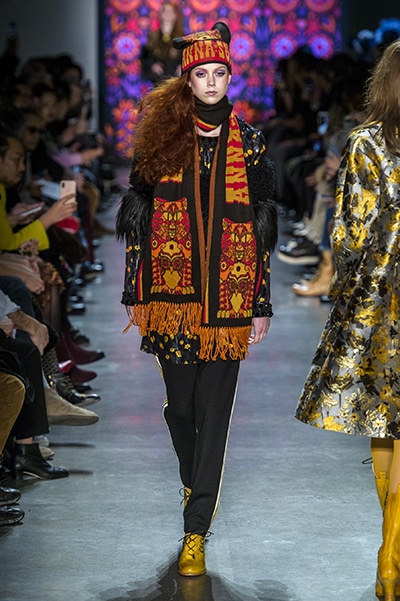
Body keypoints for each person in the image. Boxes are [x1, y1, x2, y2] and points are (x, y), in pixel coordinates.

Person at [117, 22, 277, 577]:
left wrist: (259, 303)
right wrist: (134, 289)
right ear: (187, 80)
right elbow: (138, 215)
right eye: (201, 74)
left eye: (219, 73)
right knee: (182, 409)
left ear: (231, 77)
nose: (211, 82)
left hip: (228, 301)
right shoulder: (162, 137)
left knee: (215, 414)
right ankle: (193, 482)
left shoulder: (250, 143)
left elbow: (260, 227)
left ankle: (196, 528)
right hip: (173, 298)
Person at [294, 39, 400, 601]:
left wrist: (346, 279)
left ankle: (391, 558)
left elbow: (351, 234)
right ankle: (393, 555)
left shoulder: (365, 143)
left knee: (385, 418)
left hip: (381, 299)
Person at [140, 1, 184, 83]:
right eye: (165, 11)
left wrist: (183, 66)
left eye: (171, 11)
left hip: (176, 79)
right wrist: (152, 64)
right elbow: (145, 56)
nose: (168, 14)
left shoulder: (182, 37)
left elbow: (187, 56)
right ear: (160, 14)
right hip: (158, 78)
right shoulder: (153, 36)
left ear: (175, 14)